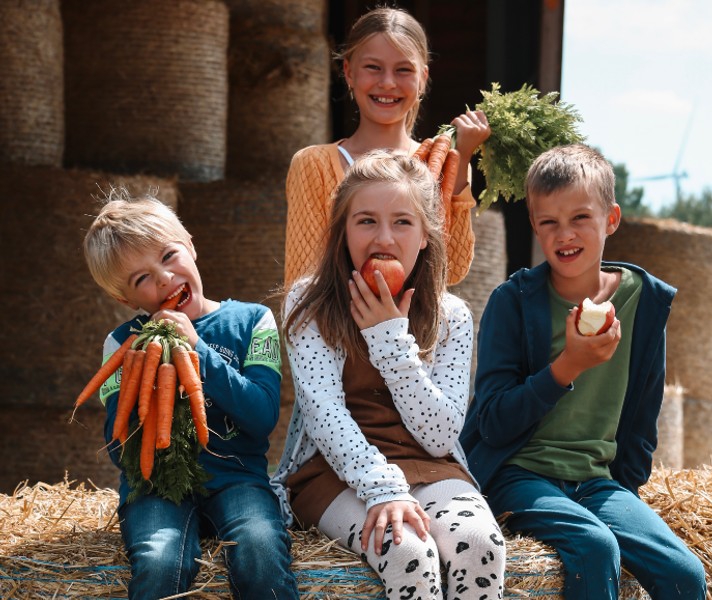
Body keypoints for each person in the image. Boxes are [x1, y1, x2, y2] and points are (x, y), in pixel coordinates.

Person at [460, 144, 707, 600]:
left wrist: (624, 490)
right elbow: (492, 420)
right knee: (594, 546)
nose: (564, 234)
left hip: (597, 482)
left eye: (580, 218)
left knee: (685, 574)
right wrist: (567, 366)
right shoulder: (511, 303)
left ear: (610, 220)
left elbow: (643, 416)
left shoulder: (643, 303)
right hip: (519, 475)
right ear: (534, 226)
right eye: (549, 221)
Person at [273, 150, 506, 600]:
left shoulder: (451, 315)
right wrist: (384, 491)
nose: (384, 236)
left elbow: (439, 435)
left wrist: (390, 341)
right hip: (336, 473)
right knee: (406, 551)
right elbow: (324, 416)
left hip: (431, 466)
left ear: (424, 237)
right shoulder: (310, 304)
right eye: (365, 221)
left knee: (480, 545)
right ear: (342, 232)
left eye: (402, 222)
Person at [82, 190, 298, 600]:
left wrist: (197, 351)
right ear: (123, 299)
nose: (164, 278)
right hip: (155, 489)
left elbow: (262, 415)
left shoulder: (254, 320)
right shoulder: (120, 345)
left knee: (259, 549)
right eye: (142, 278)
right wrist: (143, 371)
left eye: (168, 256)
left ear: (191, 246)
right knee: (160, 560)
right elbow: (118, 450)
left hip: (238, 481)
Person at [284, 6, 490, 288]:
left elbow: (451, 270)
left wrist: (463, 157)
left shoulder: (441, 163)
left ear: (423, 80)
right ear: (348, 72)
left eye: (403, 70)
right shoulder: (313, 164)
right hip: (334, 330)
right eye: (373, 68)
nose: (388, 83)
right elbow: (302, 282)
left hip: (412, 330)